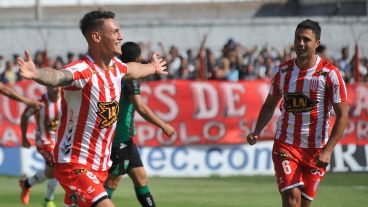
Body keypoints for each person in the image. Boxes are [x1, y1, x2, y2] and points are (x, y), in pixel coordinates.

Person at [17, 10, 168, 207]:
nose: (120, 36)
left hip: (100, 166)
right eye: (114, 32)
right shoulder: (83, 70)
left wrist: (153, 67)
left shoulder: (115, 68)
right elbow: (58, 76)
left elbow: (133, 69)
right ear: (96, 37)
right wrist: (36, 73)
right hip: (75, 165)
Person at [246, 19, 348, 207]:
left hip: (316, 150)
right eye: (298, 38)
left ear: (317, 43)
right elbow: (269, 105)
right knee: (293, 199)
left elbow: (343, 115)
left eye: (306, 39)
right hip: (286, 145)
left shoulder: (330, 74)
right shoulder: (282, 71)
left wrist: (328, 151)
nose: (300, 43)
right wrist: (257, 130)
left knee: (303, 204)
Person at [104, 42, 176, 207]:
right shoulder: (130, 80)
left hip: (125, 138)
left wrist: (151, 65)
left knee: (141, 178)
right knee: (112, 182)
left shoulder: (118, 72)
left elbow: (139, 73)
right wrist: (163, 125)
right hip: (120, 138)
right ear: (138, 58)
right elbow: (141, 108)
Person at [19, 86, 61, 207]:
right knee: (58, 164)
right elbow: (24, 116)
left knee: (52, 172)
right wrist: (24, 138)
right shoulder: (39, 103)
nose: (57, 89)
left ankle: (27, 183)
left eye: (59, 86)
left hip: (61, 141)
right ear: (47, 87)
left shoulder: (65, 99)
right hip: (44, 140)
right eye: (53, 86)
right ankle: (49, 200)